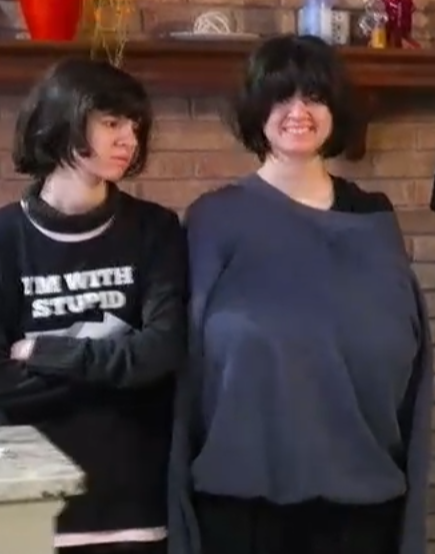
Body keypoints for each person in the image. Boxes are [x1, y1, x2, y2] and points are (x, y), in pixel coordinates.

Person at [169, 34, 432, 554]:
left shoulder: (374, 219)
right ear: (257, 110)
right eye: (281, 97)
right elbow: (186, 371)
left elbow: (412, 364)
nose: (298, 112)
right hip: (241, 506)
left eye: (314, 97)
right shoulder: (214, 220)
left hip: (362, 503)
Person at [0, 58, 187, 554]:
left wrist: (44, 353)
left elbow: (160, 354)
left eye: (135, 126)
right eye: (111, 123)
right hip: (28, 506)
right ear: (63, 120)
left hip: (135, 507)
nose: (129, 139)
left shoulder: (155, 230)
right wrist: (118, 374)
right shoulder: (6, 238)